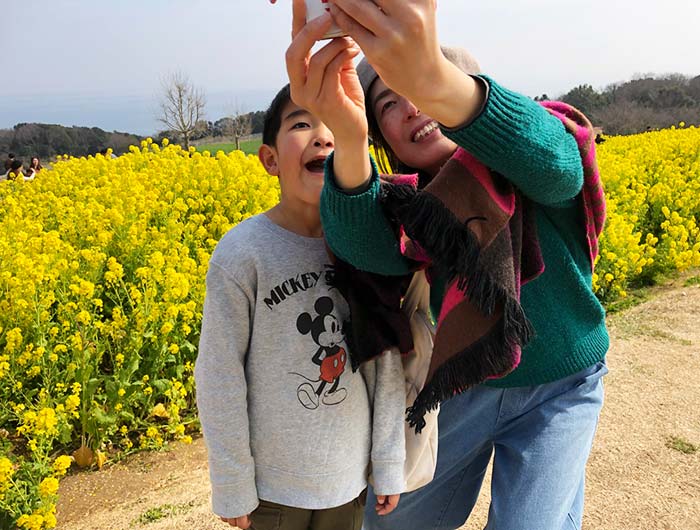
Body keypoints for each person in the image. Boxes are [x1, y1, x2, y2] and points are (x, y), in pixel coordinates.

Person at [284, 1, 609, 529]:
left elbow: (557, 167)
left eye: (421, 84)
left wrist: (434, 80)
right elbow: (366, 248)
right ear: (382, 135)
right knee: (390, 523)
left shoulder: (530, 143)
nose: (411, 105)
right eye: (388, 101)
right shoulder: (406, 206)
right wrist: (348, 136)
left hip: (562, 386)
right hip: (467, 383)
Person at [194, 81, 406, 530]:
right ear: (269, 159)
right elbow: (219, 375)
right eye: (303, 123)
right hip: (272, 490)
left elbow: (384, 360)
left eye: (335, 126)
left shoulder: (365, 246)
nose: (323, 136)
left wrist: (388, 460)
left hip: (347, 483)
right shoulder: (242, 254)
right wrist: (232, 482)